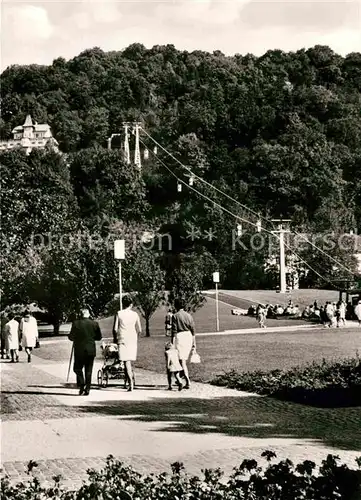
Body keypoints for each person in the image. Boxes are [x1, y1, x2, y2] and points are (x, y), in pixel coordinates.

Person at [68, 308, 102, 395]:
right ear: (88, 314)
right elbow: (99, 337)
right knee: (89, 370)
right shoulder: (94, 323)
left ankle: (82, 383)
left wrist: (73, 337)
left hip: (79, 350)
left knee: (77, 368)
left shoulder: (76, 323)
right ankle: (88, 388)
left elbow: (71, 337)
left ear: (81, 315)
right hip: (90, 349)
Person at [113, 296, 142, 392]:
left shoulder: (119, 313)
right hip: (132, 339)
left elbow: (115, 329)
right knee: (128, 361)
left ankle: (130, 381)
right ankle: (129, 381)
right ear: (131, 304)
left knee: (126, 361)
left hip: (122, 338)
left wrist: (115, 338)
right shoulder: (135, 314)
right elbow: (140, 330)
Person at [171, 298, 196, 389]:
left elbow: (173, 332)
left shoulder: (175, 316)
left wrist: (172, 344)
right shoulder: (189, 316)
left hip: (180, 337)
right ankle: (180, 379)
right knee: (182, 360)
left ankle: (187, 381)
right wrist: (194, 344)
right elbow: (193, 331)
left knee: (181, 361)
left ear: (176, 305)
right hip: (188, 337)